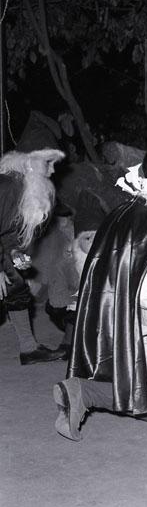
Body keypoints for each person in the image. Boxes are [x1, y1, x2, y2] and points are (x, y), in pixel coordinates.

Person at [53, 147, 147, 441]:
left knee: (139, 369)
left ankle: (93, 386)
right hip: (133, 322)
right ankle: (84, 392)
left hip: (108, 311)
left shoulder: (127, 210)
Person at [0, 145, 67, 365]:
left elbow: (7, 231)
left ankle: (28, 349)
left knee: (16, 284)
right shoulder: (7, 185)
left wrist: (15, 252)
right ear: (30, 164)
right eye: (48, 164)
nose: (52, 171)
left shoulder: (23, 187)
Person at [46, 190, 107, 359]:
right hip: (73, 305)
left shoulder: (110, 257)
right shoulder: (69, 259)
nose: (93, 243)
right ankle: (69, 342)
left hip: (104, 310)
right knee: (64, 307)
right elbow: (57, 297)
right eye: (87, 239)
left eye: (97, 237)